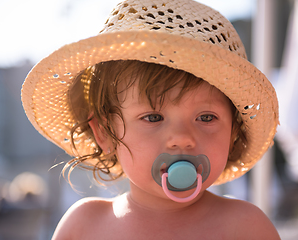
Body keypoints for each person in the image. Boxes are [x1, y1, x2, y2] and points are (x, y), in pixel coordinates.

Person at [21, 0, 280, 239]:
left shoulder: (246, 227)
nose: (182, 138)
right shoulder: (84, 226)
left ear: (233, 132)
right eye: (153, 117)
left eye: (206, 117)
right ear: (104, 133)